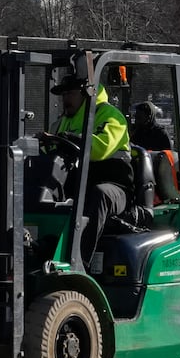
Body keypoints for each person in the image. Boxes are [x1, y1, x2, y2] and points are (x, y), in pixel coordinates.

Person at [45, 73, 149, 249]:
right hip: (80, 185)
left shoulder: (111, 117)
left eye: (70, 93)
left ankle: (79, 260)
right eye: (63, 95)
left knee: (100, 194)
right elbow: (49, 151)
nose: (65, 99)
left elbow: (99, 148)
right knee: (45, 190)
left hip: (117, 189)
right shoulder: (62, 122)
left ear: (86, 93)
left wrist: (69, 139)